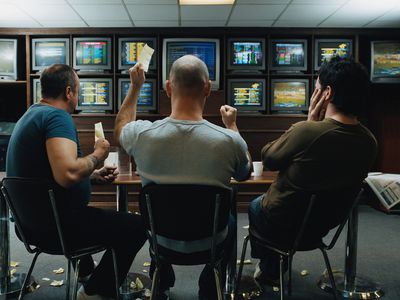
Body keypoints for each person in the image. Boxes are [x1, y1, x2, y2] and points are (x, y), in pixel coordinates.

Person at [114, 55, 251, 300]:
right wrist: (232, 126)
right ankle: (210, 286)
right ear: (208, 88)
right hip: (210, 242)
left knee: (159, 218)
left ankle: (162, 280)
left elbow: (120, 129)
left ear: (168, 88)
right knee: (229, 219)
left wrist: (135, 88)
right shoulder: (230, 141)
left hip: (161, 239)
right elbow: (244, 173)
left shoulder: (141, 134)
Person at [6, 64, 147, 300]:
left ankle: (85, 276)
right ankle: (94, 292)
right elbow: (67, 175)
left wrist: (92, 175)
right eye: (78, 91)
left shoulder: (30, 114)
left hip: (29, 228)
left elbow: (47, 175)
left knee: (82, 211)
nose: (78, 97)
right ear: (68, 92)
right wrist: (97, 156)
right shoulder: (56, 116)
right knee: (136, 227)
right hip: (58, 230)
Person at [248, 57, 378, 285]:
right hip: (320, 230)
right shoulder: (370, 141)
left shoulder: (307, 132)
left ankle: (271, 267)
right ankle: (275, 263)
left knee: (255, 205)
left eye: (316, 88)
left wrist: (308, 122)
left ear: (327, 94)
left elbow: (269, 158)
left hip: (282, 224)